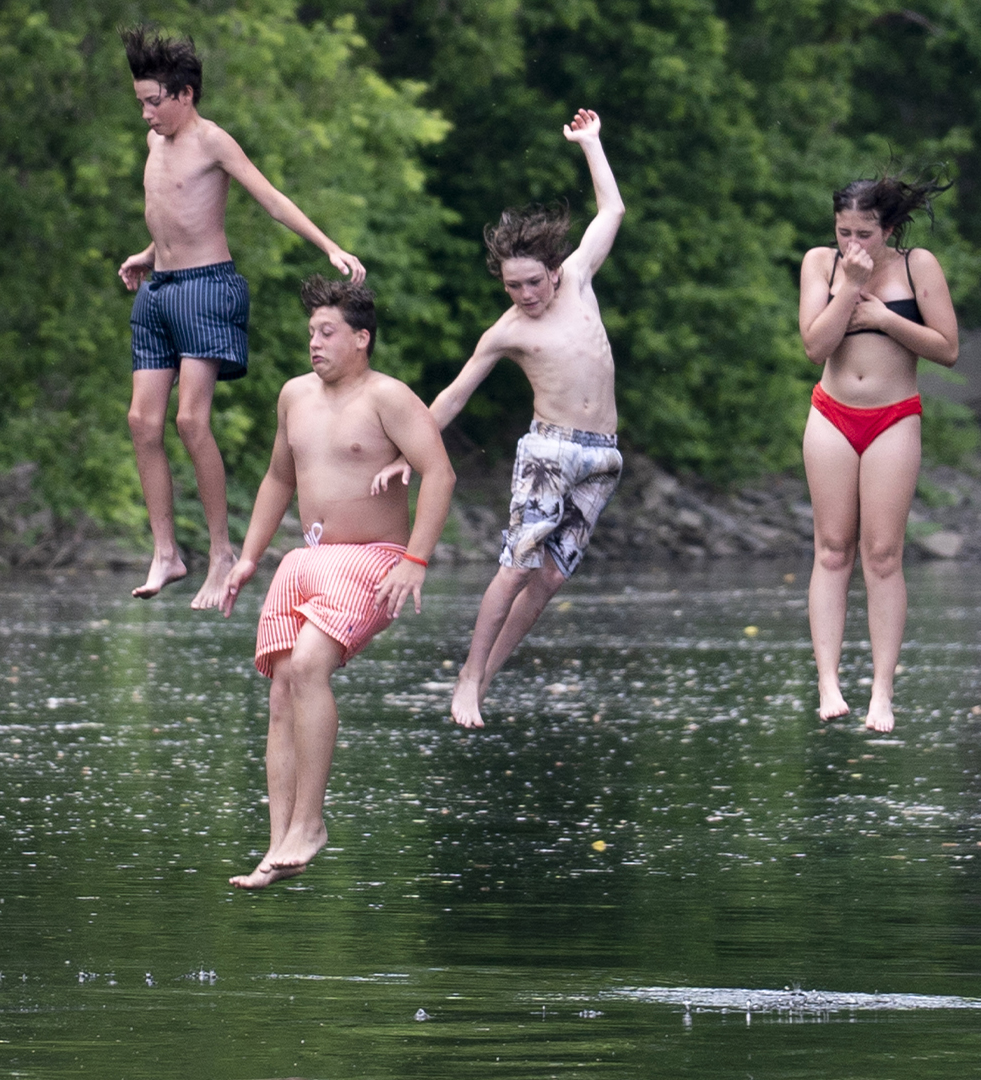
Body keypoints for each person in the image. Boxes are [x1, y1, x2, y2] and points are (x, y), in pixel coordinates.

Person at [374, 109, 624, 730]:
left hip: (603, 455)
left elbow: (612, 210)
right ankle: (467, 677)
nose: (525, 296)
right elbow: (455, 394)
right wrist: (411, 452)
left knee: (549, 581)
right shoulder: (508, 330)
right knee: (516, 565)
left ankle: (482, 681)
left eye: (533, 283)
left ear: (554, 271)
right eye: (513, 286)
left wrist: (591, 144)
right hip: (550, 450)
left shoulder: (581, 281)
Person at [119, 25, 366, 609]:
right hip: (159, 290)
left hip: (208, 288)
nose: (147, 115)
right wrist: (147, 254)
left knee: (190, 422)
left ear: (185, 95)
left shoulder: (212, 142)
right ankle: (165, 552)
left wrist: (328, 246)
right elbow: (172, 211)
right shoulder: (155, 145)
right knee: (140, 421)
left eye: (155, 102)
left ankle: (221, 550)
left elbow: (271, 199)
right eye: (141, 104)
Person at [219, 276, 453, 889]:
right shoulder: (293, 395)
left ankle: (312, 824)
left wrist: (417, 560)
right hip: (306, 560)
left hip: (372, 556)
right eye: (311, 334)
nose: (315, 344)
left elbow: (440, 473)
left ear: (361, 338)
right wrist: (248, 558)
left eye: (327, 333)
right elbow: (277, 479)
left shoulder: (389, 397)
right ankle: (278, 844)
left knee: (308, 667)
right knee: (279, 692)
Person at [798, 176, 957, 732]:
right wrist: (849, 289)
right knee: (832, 548)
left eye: (864, 233)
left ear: (888, 228)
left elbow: (949, 348)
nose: (853, 244)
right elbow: (815, 345)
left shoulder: (919, 266)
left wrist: (887, 318)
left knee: (883, 554)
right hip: (832, 413)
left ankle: (882, 693)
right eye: (844, 232)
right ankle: (828, 682)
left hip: (893, 414)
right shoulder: (821, 263)